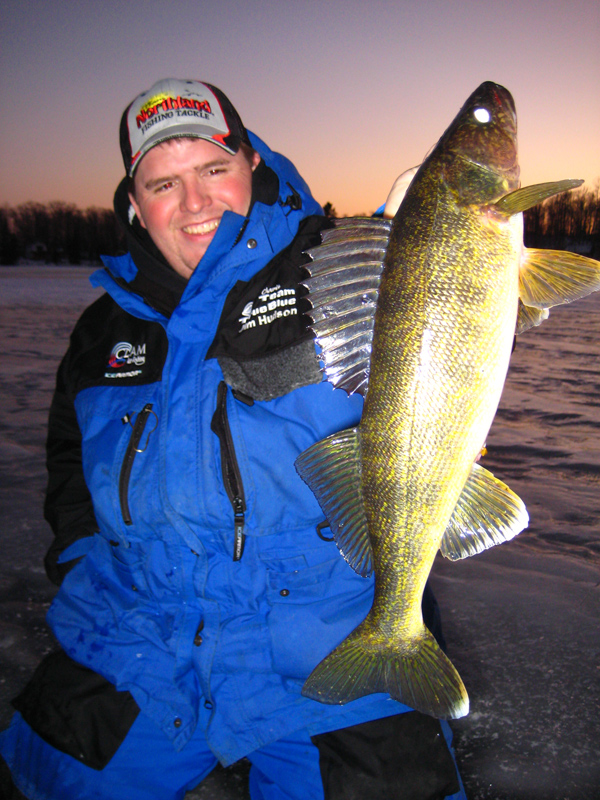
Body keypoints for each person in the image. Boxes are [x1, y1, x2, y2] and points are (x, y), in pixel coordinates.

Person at [0, 78, 466, 800]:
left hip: (327, 652)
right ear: (133, 204)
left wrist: (426, 257)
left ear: (252, 163)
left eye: (215, 168)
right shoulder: (101, 332)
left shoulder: (339, 271)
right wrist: (81, 560)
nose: (195, 202)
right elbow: (69, 467)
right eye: (164, 182)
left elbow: (442, 342)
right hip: (137, 643)